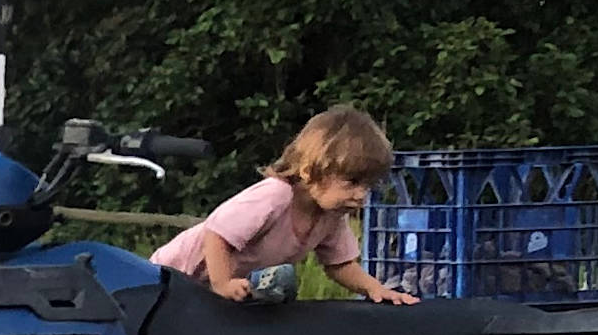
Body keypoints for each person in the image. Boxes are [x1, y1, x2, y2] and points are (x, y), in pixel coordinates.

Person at [151, 106, 420, 306]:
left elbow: (340, 265)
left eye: (368, 185)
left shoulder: (331, 216)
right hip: (166, 278)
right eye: (352, 182)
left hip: (205, 293)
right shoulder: (275, 195)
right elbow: (217, 234)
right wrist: (223, 284)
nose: (361, 195)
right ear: (309, 170)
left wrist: (375, 289)